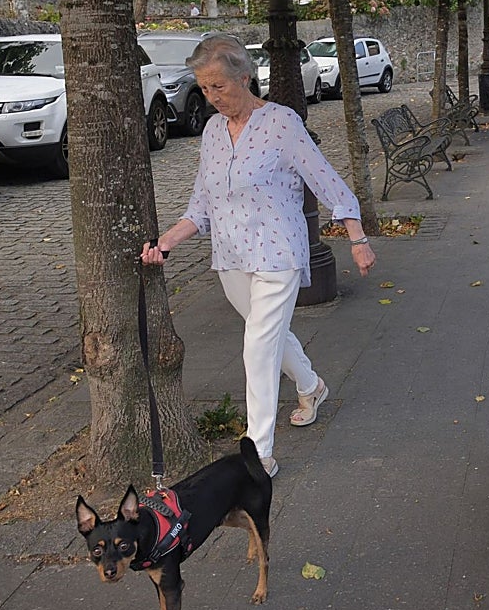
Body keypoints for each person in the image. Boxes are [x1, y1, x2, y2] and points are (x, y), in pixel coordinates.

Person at [141, 34, 375, 478]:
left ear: (244, 77)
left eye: (219, 86)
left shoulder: (281, 123)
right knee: (267, 336)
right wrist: (168, 240)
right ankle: (311, 385)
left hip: (278, 253)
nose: (212, 97)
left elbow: (324, 178)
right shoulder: (212, 131)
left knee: (257, 348)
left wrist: (357, 237)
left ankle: (258, 452)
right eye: (204, 88)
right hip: (231, 256)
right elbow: (201, 204)